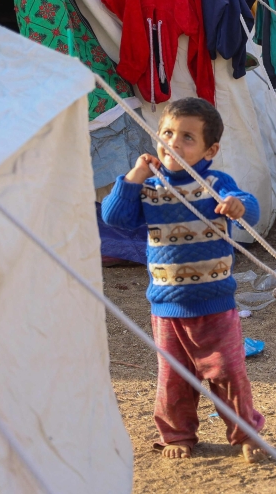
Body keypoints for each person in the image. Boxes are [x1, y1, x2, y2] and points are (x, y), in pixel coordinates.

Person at [101, 97, 266, 462]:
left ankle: (246, 433)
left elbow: (248, 207)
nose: (173, 142)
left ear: (210, 150)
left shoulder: (215, 183)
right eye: (167, 133)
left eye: (187, 137)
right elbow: (114, 217)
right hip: (167, 307)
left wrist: (238, 206)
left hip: (214, 303)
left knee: (229, 373)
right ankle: (177, 435)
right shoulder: (150, 187)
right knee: (173, 379)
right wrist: (134, 176)